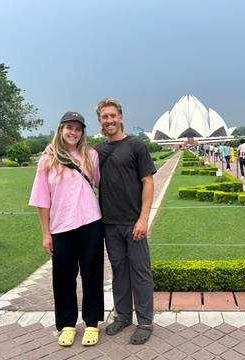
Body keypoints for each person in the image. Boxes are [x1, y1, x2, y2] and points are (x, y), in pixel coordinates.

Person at [29, 112, 104, 347]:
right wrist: (45, 233)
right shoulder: (48, 159)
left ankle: (92, 323)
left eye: (78, 129)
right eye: (69, 128)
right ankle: (67, 324)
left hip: (91, 222)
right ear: (61, 129)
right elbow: (42, 200)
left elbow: (99, 183)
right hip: (61, 227)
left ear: (83, 132)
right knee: (63, 278)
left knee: (92, 275)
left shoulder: (91, 155)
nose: (73, 132)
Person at [94, 98, 156, 345]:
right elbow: (72, 160)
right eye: (104, 117)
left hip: (133, 222)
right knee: (119, 272)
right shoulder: (97, 151)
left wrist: (143, 218)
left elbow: (148, 182)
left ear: (120, 117)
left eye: (112, 116)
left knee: (140, 272)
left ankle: (145, 321)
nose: (109, 120)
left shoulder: (136, 146)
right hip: (110, 223)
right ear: (100, 121)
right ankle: (123, 316)